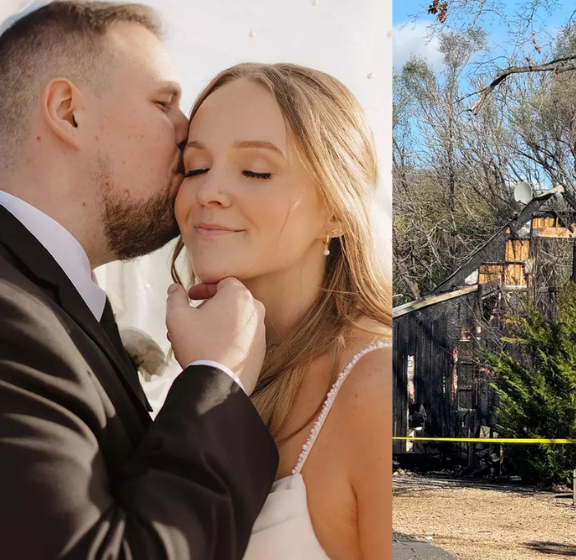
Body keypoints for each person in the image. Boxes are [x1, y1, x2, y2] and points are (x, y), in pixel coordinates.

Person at [0, 2, 278, 558]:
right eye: (163, 103)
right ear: (67, 111)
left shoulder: (50, 301)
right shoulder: (10, 314)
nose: (186, 130)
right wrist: (216, 377)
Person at [173, 63, 392, 559]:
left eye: (255, 171)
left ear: (337, 211)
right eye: (195, 167)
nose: (208, 192)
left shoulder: (372, 386)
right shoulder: (208, 365)